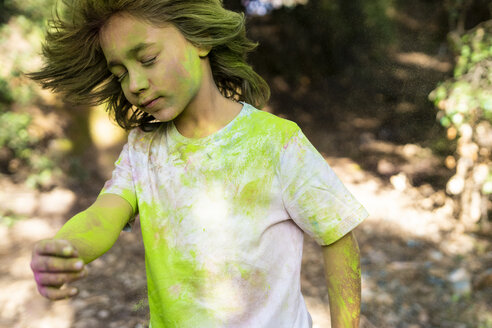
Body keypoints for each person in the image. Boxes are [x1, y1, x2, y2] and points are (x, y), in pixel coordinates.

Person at [28, 0, 369, 327]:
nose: (134, 84)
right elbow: (103, 216)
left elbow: (337, 235)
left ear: (200, 40)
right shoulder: (142, 149)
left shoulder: (277, 142)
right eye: (120, 74)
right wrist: (66, 248)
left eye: (147, 58)